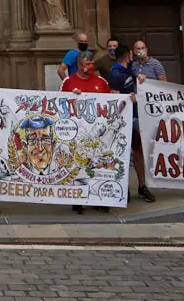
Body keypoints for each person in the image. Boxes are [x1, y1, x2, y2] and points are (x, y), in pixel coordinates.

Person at [62, 51, 111, 215]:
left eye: (91, 64)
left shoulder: (101, 82)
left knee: (98, 167)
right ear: (78, 65)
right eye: (86, 64)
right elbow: (59, 104)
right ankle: (77, 200)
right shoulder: (68, 82)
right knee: (78, 167)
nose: (89, 67)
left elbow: (113, 104)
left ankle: (100, 199)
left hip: (98, 135)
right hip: (77, 135)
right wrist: (71, 96)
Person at [106, 44, 157, 204]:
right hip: (123, 120)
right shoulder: (115, 74)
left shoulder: (130, 71)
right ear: (128, 55)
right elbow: (115, 98)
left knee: (138, 151)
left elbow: (136, 85)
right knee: (123, 154)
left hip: (136, 117)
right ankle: (124, 187)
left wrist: (141, 80)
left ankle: (142, 186)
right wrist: (129, 99)